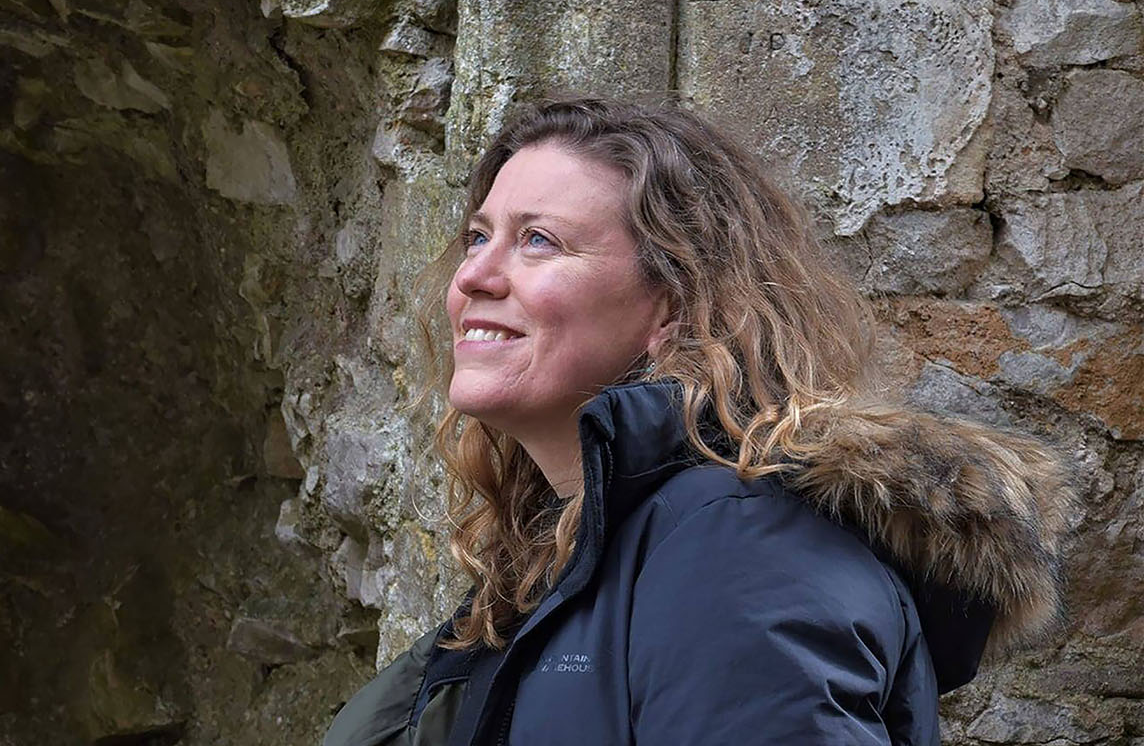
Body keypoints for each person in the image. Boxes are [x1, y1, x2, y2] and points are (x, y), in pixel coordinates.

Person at [323, 98, 1075, 746]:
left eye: (538, 240)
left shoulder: (739, 548)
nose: (473, 275)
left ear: (675, 310)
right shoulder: (562, 556)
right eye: (479, 236)